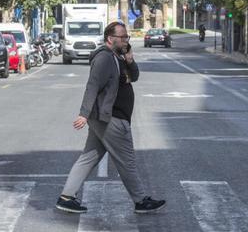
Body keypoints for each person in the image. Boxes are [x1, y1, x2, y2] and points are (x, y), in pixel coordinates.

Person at [57, 21, 166, 215]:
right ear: (110, 38)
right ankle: (140, 200)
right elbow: (93, 85)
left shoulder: (119, 57)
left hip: (105, 118)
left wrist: (130, 61)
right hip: (111, 119)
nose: (126, 40)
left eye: (127, 37)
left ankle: (66, 197)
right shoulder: (105, 59)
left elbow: (135, 76)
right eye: (122, 37)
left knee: (88, 157)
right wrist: (83, 114)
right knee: (127, 161)